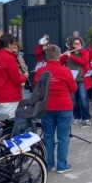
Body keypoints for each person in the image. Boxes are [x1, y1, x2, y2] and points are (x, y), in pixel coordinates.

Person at [34, 44, 77, 174]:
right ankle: (62, 165)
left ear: (47, 56)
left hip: (46, 107)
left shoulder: (41, 71)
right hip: (64, 106)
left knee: (48, 137)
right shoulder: (66, 71)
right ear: (59, 56)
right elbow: (74, 88)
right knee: (63, 137)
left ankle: (49, 164)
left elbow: (36, 87)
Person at [0, 34, 29, 118]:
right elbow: (17, 80)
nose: (14, 46)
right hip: (9, 97)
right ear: (9, 44)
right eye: (13, 44)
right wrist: (25, 75)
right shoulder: (10, 58)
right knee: (10, 124)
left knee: (0, 123)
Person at [60, 36, 92, 125]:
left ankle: (86, 118)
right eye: (75, 44)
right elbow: (59, 62)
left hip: (81, 79)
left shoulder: (85, 53)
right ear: (72, 45)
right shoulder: (68, 54)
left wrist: (71, 56)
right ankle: (77, 117)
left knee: (83, 99)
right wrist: (61, 56)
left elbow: (83, 62)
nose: (78, 45)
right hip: (71, 80)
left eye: (79, 43)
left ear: (81, 44)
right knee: (74, 100)